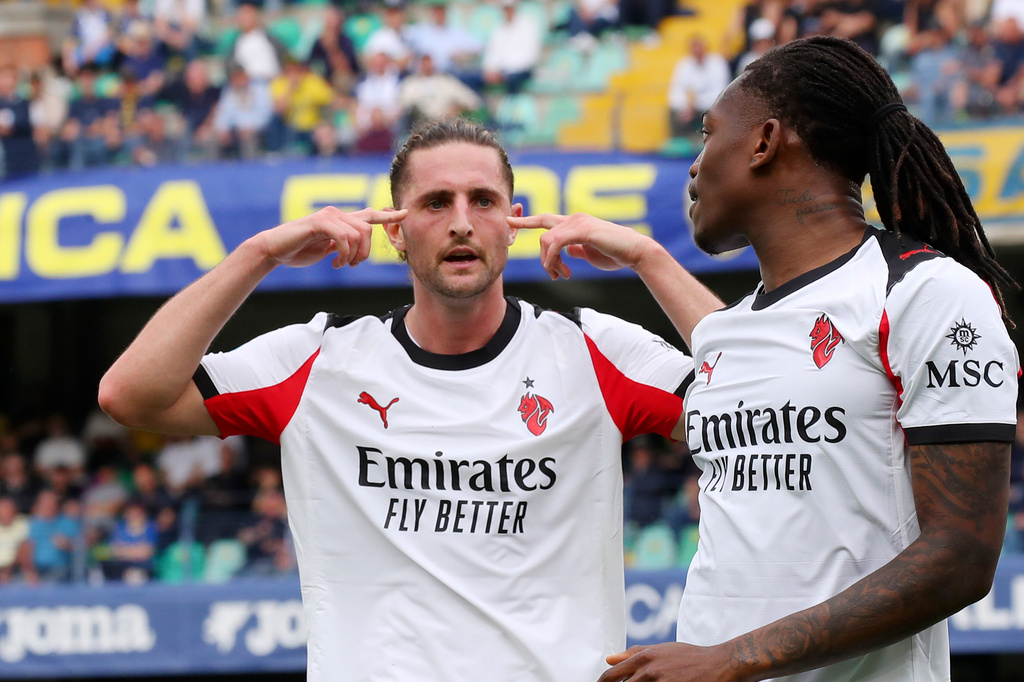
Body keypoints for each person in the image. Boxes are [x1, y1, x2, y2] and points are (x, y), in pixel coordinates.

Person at [98, 117, 722, 681]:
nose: (460, 221)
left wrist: (650, 257)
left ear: (514, 221)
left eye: (483, 201)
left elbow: (754, 405)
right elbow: (131, 395)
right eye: (433, 202)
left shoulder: (593, 350)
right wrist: (258, 254)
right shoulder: (317, 359)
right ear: (395, 231)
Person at [519, 36, 1019, 682]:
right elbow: (751, 358)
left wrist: (733, 658)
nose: (695, 167)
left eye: (707, 135)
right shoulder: (740, 326)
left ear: (764, 141)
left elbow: (962, 557)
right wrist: (647, 256)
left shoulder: (927, 293)